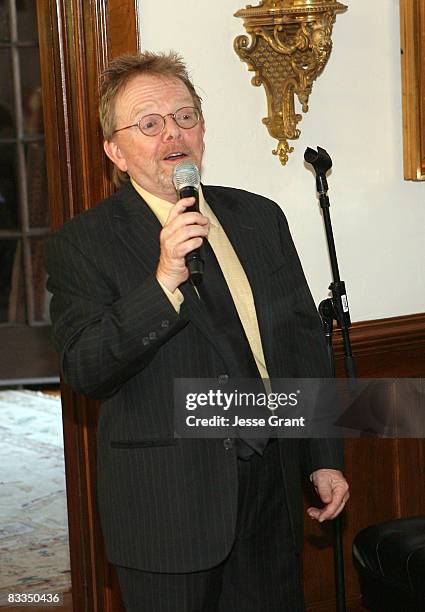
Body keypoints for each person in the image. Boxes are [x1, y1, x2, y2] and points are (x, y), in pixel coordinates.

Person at [45, 51, 349, 612]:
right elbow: (85, 367)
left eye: (184, 117)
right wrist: (163, 281)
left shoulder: (260, 218)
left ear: (203, 130)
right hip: (170, 506)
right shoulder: (82, 244)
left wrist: (323, 455)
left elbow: (303, 343)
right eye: (149, 123)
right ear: (116, 150)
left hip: (271, 490)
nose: (172, 134)